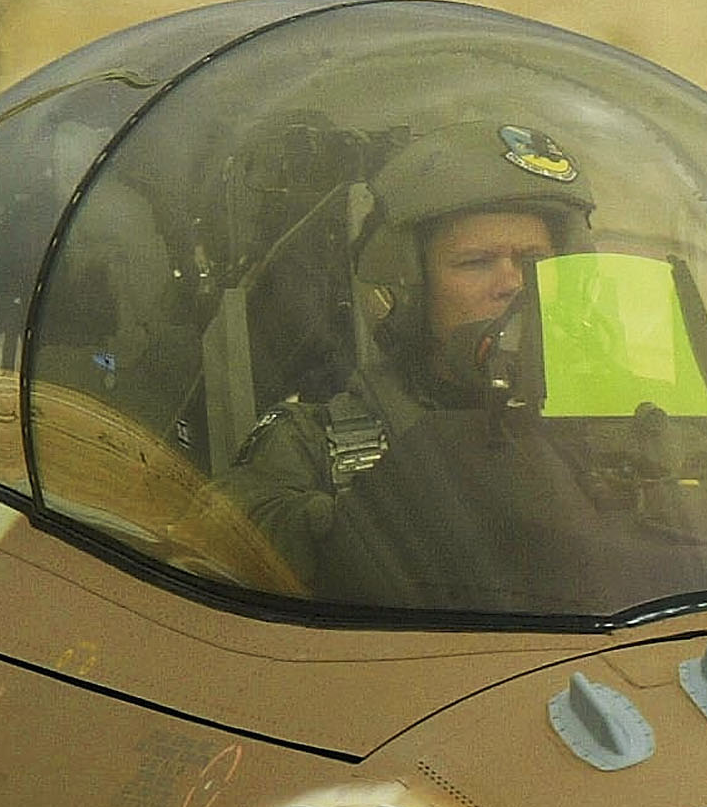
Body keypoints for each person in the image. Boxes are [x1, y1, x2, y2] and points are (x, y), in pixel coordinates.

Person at [215, 121, 594, 589]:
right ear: (408, 291)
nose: (513, 283)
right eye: (476, 262)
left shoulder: (618, 428)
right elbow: (226, 544)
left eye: (535, 263)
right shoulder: (313, 447)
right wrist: (372, 516)